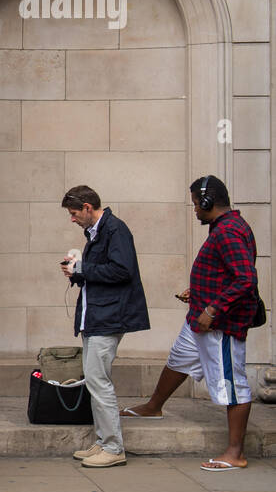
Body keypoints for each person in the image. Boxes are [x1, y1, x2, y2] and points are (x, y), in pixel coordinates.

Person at [123, 176, 259, 471]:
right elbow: (225, 273)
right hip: (200, 317)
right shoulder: (223, 227)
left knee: (231, 385)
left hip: (220, 324)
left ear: (208, 203)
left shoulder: (229, 233)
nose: (194, 209)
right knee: (179, 358)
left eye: (196, 204)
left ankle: (235, 453)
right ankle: (153, 407)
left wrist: (213, 307)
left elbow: (246, 279)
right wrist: (198, 293)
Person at [59, 186, 150, 469]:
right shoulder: (100, 231)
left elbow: (123, 271)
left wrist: (83, 270)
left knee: (99, 382)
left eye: (74, 214)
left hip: (107, 317)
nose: (72, 219)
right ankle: (103, 442)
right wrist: (77, 271)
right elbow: (107, 271)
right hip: (98, 316)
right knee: (95, 380)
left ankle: (113, 447)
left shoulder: (114, 229)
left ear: (87, 207)